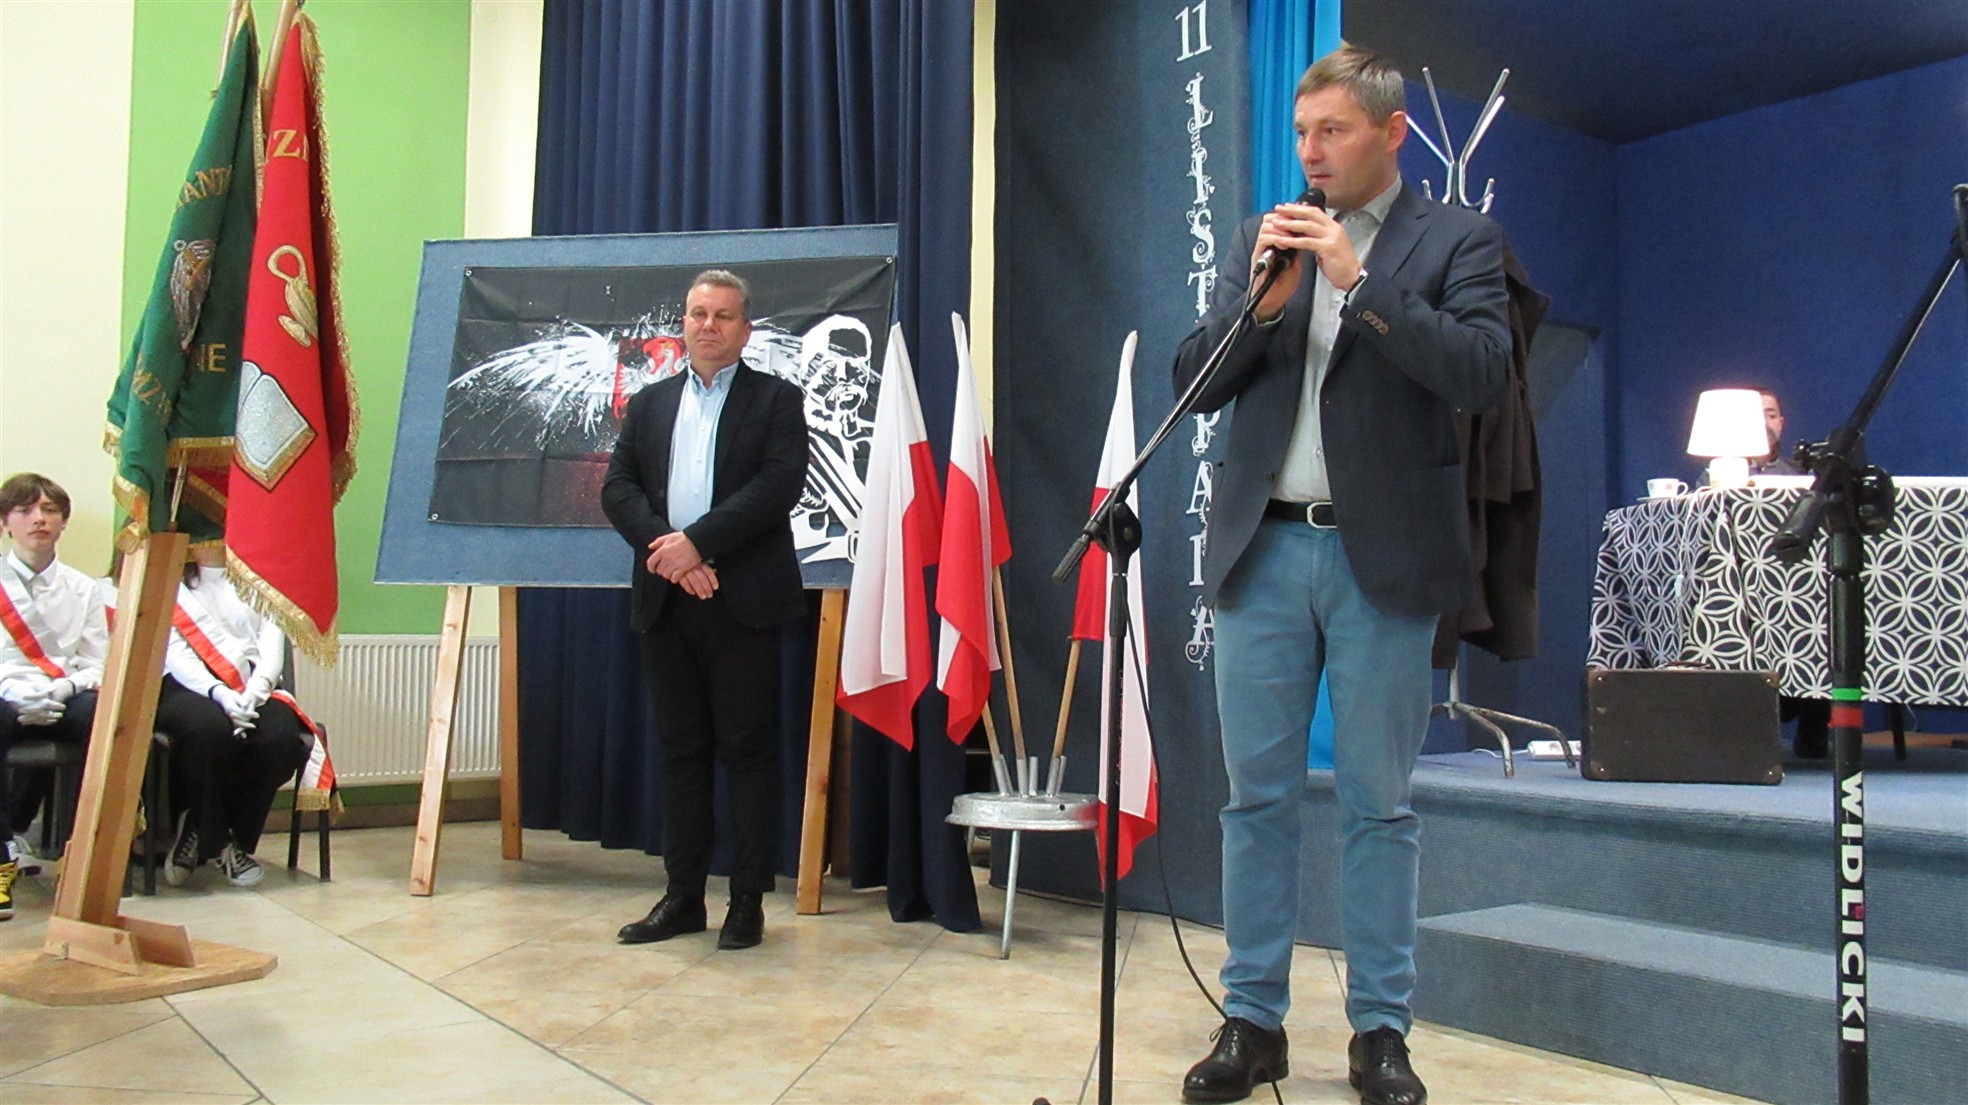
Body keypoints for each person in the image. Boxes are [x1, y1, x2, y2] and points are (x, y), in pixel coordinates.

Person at [1170, 47, 1511, 1105]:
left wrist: (1359, 284)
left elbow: (1482, 372)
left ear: (1390, 132)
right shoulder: (1262, 239)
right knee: (1255, 799)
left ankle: (1380, 1031)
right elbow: (1195, 383)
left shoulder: (1457, 238)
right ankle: (1252, 1019)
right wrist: (1265, 307)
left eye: (1332, 131)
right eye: (1301, 133)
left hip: (1385, 558)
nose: (1310, 153)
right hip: (1263, 548)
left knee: (1377, 805)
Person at [601, 269, 808, 950]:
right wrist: (671, 555)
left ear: (745, 330)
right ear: (683, 323)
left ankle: (746, 901)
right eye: (697, 314)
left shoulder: (776, 399)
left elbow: (777, 486)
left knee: (748, 752)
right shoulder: (651, 403)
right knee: (681, 751)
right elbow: (619, 488)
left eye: (722, 316)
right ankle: (683, 897)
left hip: (744, 601)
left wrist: (699, 544)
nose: (707, 326)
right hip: (668, 600)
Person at [154, 547, 311, 888]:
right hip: (190, 685)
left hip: (252, 685)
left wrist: (253, 695)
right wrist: (220, 694)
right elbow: (175, 654)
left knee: (279, 739)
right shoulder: (171, 583)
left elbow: (272, 651)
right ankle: (221, 843)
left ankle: (203, 829)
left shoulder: (262, 582)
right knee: (207, 731)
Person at [0, 473, 109, 920]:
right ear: (5, 522)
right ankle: (1, 853)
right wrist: (15, 691)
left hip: (62, 693)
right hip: (6, 694)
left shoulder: (84, 588)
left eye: (49, 510)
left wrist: (66, 687)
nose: (38, 520)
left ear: (64, 522)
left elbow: (98, 663)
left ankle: (79, 852)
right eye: (25, 510)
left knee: (103, 716)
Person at [1751, 389, 1800, 475]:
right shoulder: (1724, 471)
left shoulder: (1794, 475)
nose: (1764, 422)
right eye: (1755, 415)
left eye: (1771, 416)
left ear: (1781, 423)